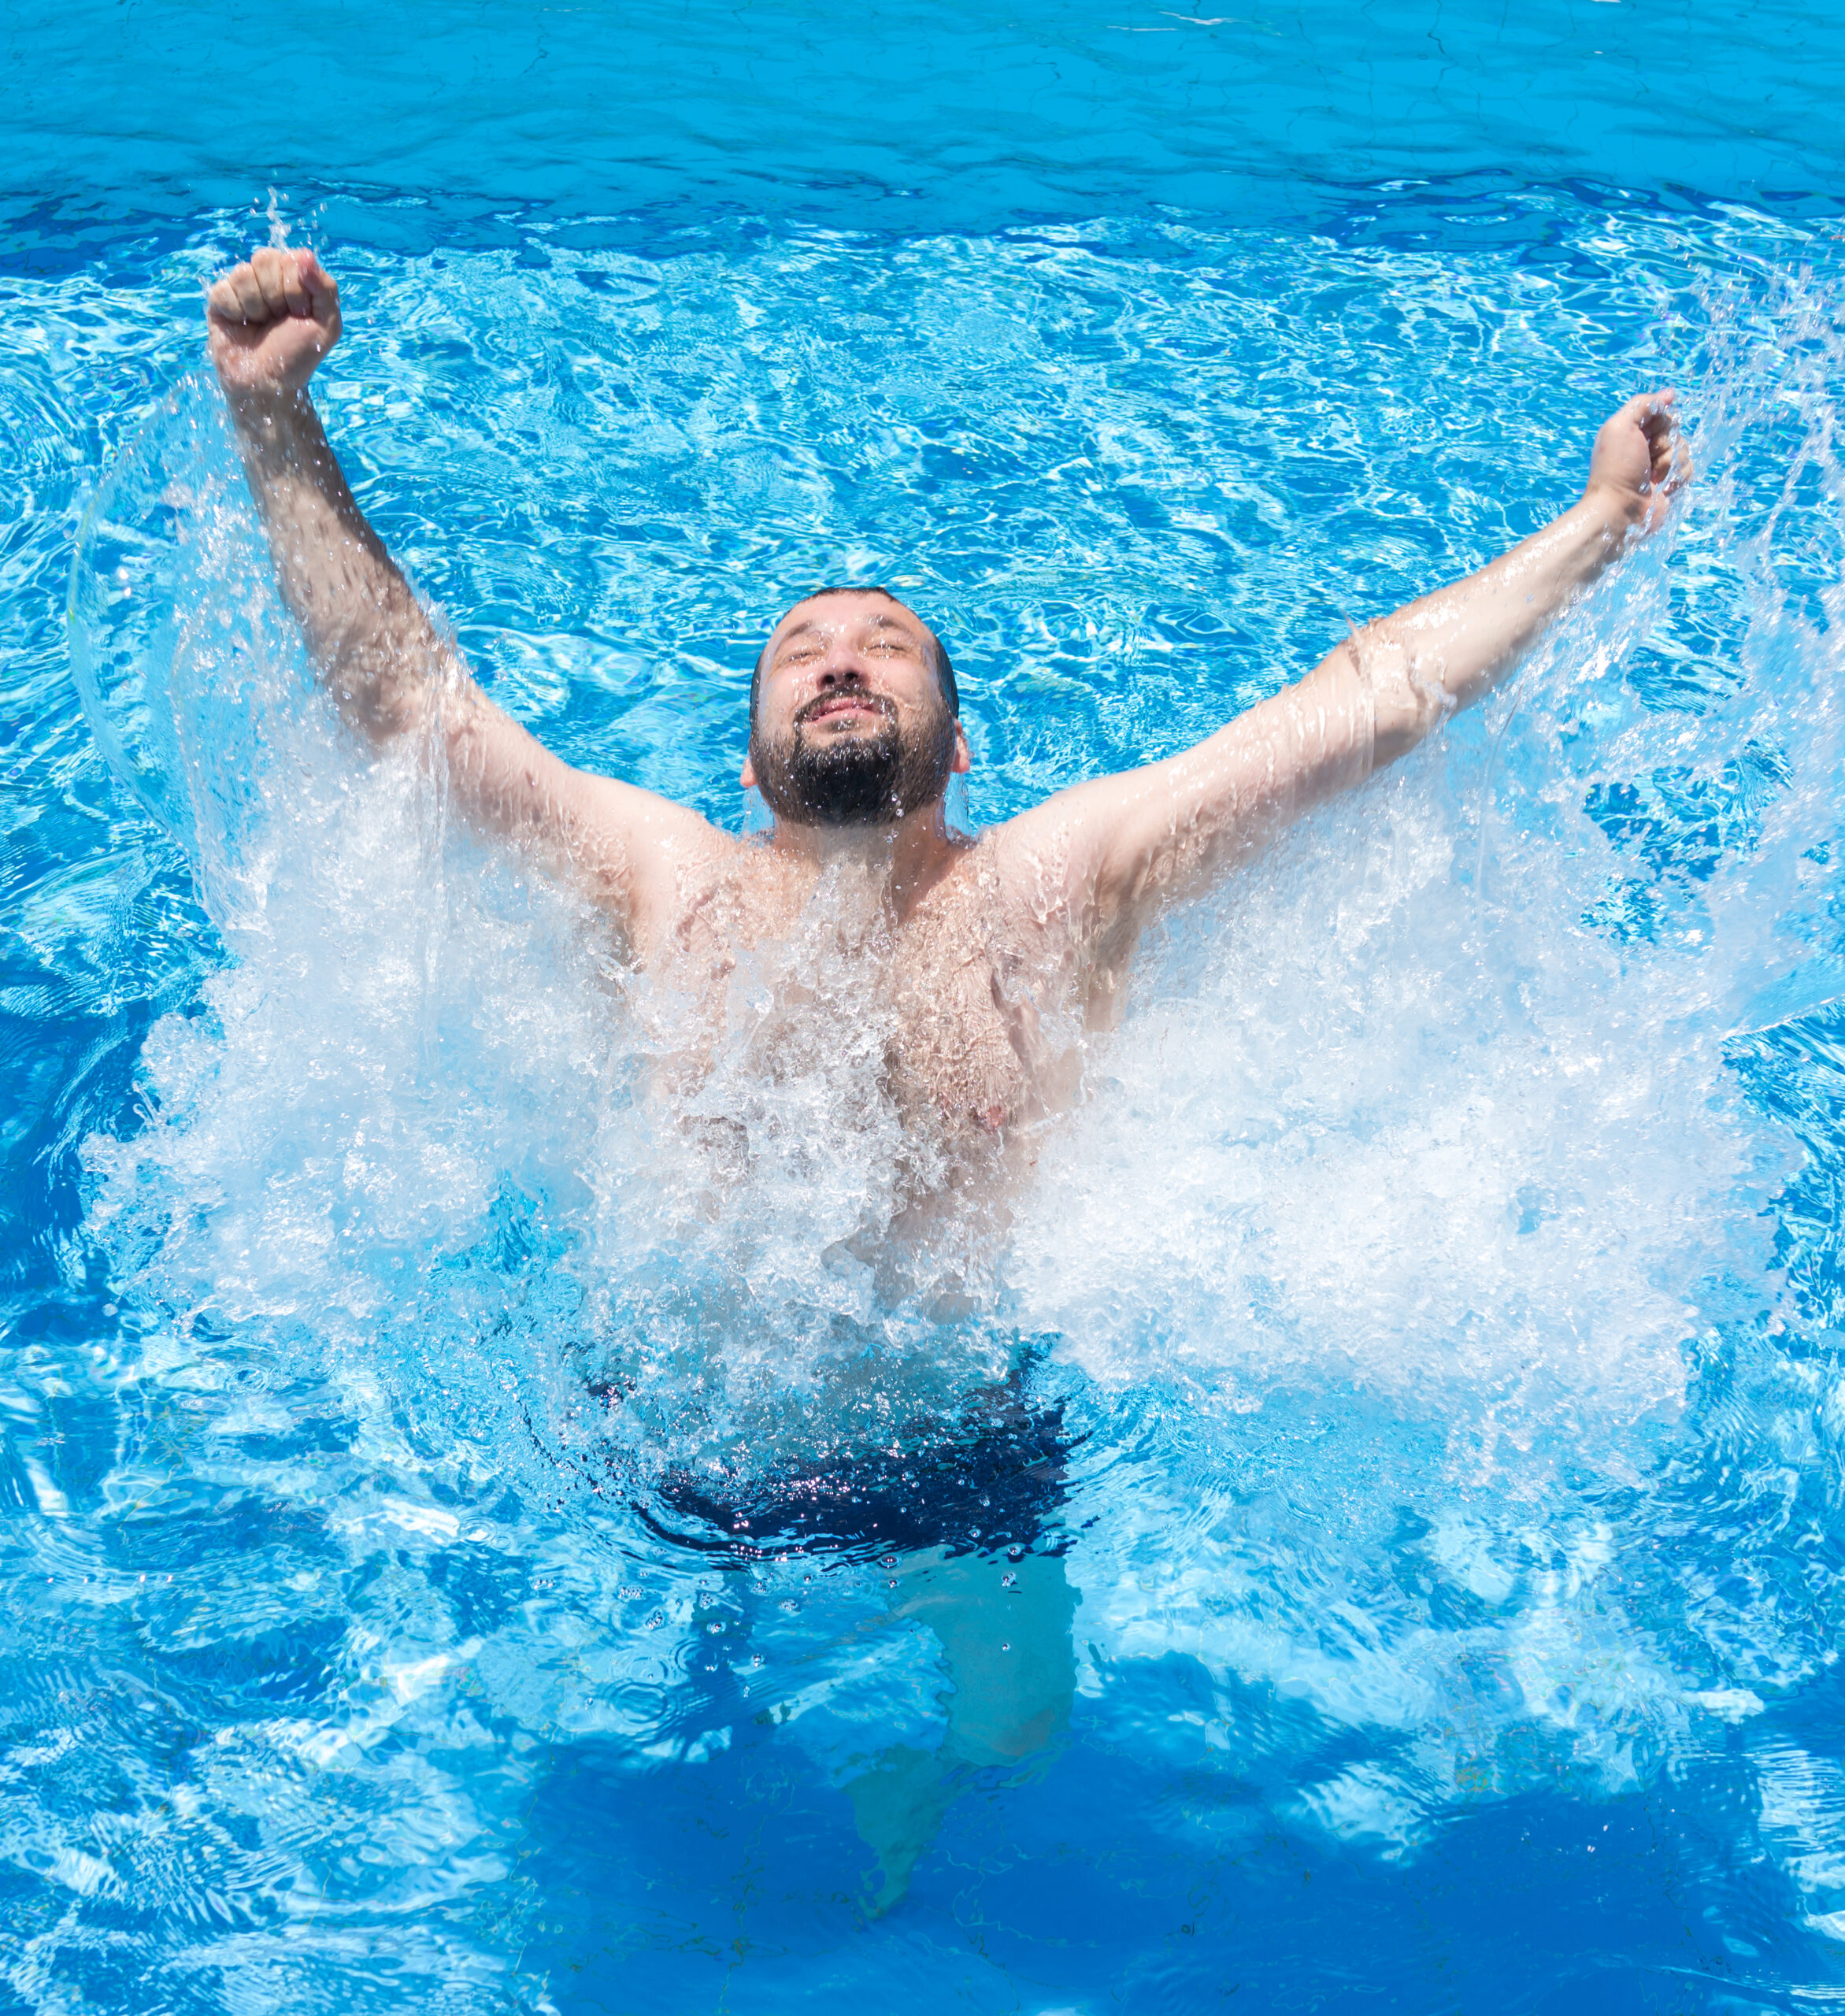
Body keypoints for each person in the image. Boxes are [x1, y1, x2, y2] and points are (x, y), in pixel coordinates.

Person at [204, 243, 1690, 1907]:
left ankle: (910, 1806)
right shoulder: (652, 873)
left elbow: (1368, 700)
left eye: (888, 644)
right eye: (803, 650)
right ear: (749, 747)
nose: (842, 658)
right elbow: (409, 709)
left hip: (966, 1450)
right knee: (601, 1794)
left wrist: (1592, 529)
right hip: (663, 1436)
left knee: (1018, 1732)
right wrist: (272, 423)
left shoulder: (1066, 877)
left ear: (957, 738)